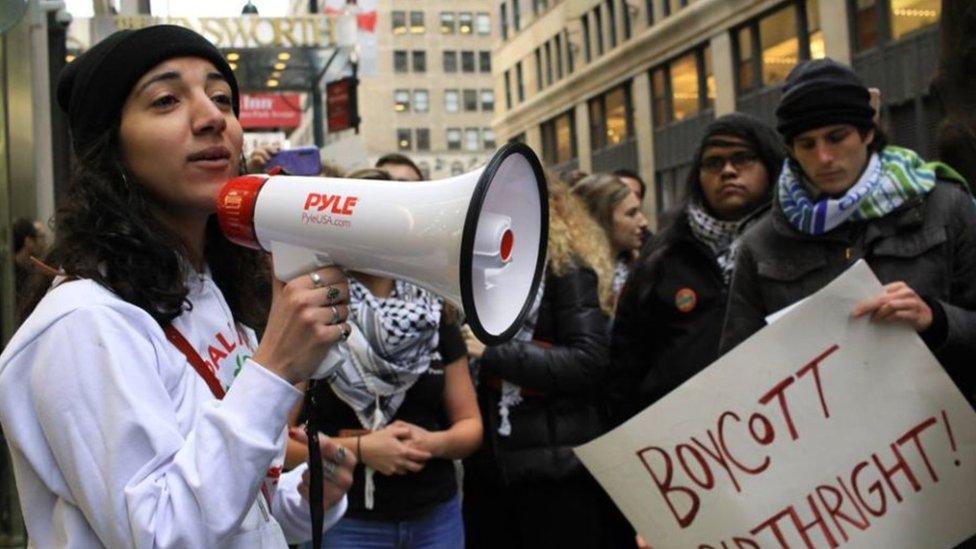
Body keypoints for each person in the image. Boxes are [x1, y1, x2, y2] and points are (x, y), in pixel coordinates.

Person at [0, 25, 356, 547]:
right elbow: (163, 532)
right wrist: (277, 366)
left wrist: (305, 498)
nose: (214, 117)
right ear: (111, 148)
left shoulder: (211, 292)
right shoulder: (84, 321)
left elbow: (243, 504)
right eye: (166, 100)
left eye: (221, 98)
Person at [720, 58, 976, 408]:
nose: (824, 157)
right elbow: (739, 373)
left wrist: (936, 319)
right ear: (791, 151)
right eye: (807, 144)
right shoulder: (761, 243)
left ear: (868, 132)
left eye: (836, 137)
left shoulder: (945, 206)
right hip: (830, 447)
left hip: (940, 438)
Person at [295, 167, 482, 549]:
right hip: (348, 522)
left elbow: (469, 426)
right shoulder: (313, 312)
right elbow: (274, 443)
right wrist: (363, 451)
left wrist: (431, 444)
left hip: (435, 516)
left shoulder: (435, 310)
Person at [461, 173, 614, 549]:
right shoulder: (478, 272)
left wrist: (494, 352)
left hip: (555, 471)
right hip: (493, 466)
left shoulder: (566, 270)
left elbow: (587, 361)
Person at [609, 113, 784, 426]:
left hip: (779, 424)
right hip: (683, 441)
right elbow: (626, 360)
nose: (728, 171)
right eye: (713, 163)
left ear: (770, 167)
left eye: (742, 159)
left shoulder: (796, 240)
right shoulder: (664, 253)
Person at [572, 174, 649, 299]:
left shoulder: (642, 266)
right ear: (602, 219)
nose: (644, 222)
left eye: (640, 211)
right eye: (631, 214)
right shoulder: (576, 274)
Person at [12, 218, 47, 308]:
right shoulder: (11, 277)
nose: (44, 243)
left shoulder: (30, 269)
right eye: (40, 237)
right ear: (28, 241)